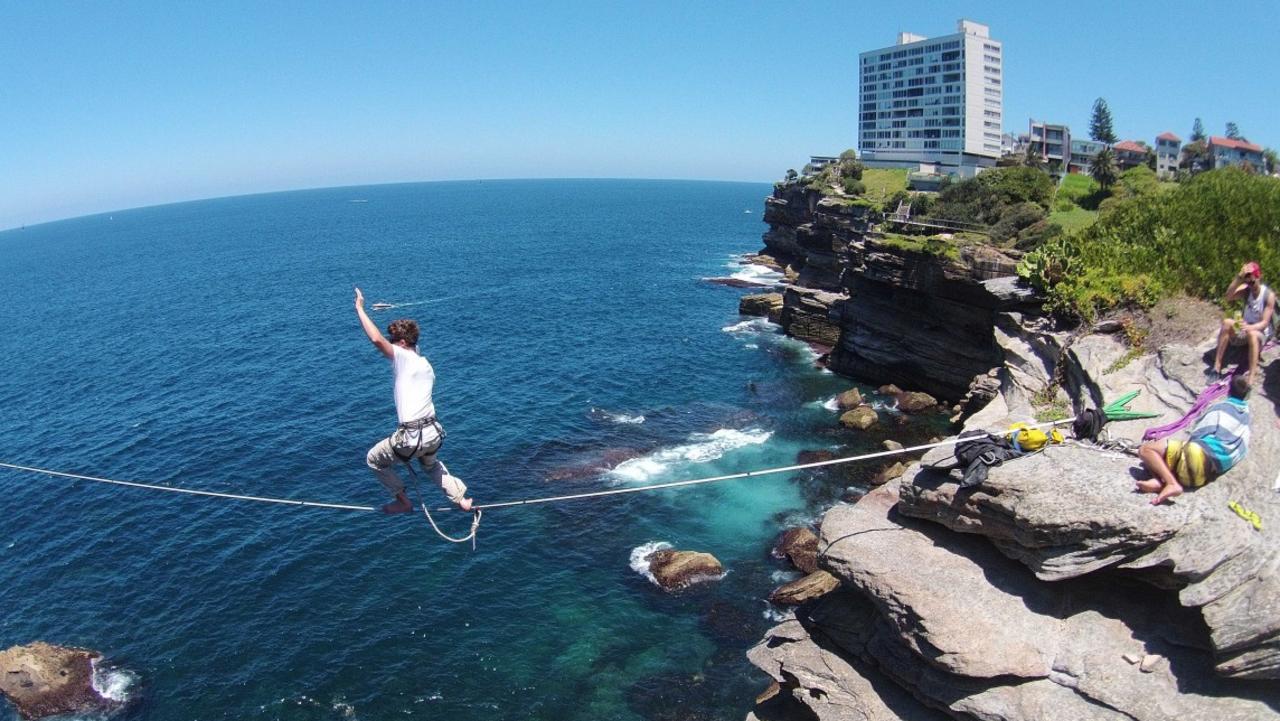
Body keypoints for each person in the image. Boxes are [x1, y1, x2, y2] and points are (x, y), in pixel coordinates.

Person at [355, 287, 474, 515]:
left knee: (373, 460)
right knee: (431, 466)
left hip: (411, 438)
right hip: (433, 434)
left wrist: (359, 308)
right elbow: (412, 347)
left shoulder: (402, 357)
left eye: (393, 341)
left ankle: (402, 500)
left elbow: (376, 339)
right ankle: (461, 499)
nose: (390, 345)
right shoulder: (425, 364)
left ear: (400, 343)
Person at [1137, 374, 1251, 505]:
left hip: (1198, 456)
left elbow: (1199, 435)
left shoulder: (1220, 408)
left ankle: (1171, 483)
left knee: (1146, 450)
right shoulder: (1246, 418)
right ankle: (1159, 483)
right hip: (1203, 475)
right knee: (1169, 460)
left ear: (1229, 391)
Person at [1212, 261, 1274, 384]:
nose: (1250, 284)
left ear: (1258, 277)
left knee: (1252, 335)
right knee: (1227, 322)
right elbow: (1228, 296)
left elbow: (1264, 323)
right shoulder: (1246, 290)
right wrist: (1238, 278)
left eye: (1252, 281)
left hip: (1259, 332)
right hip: (1244, 327)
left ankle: (1251, 378)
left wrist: (1249, 327)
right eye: (1247, 281)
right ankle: (1216, 367)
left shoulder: (1268, 295)